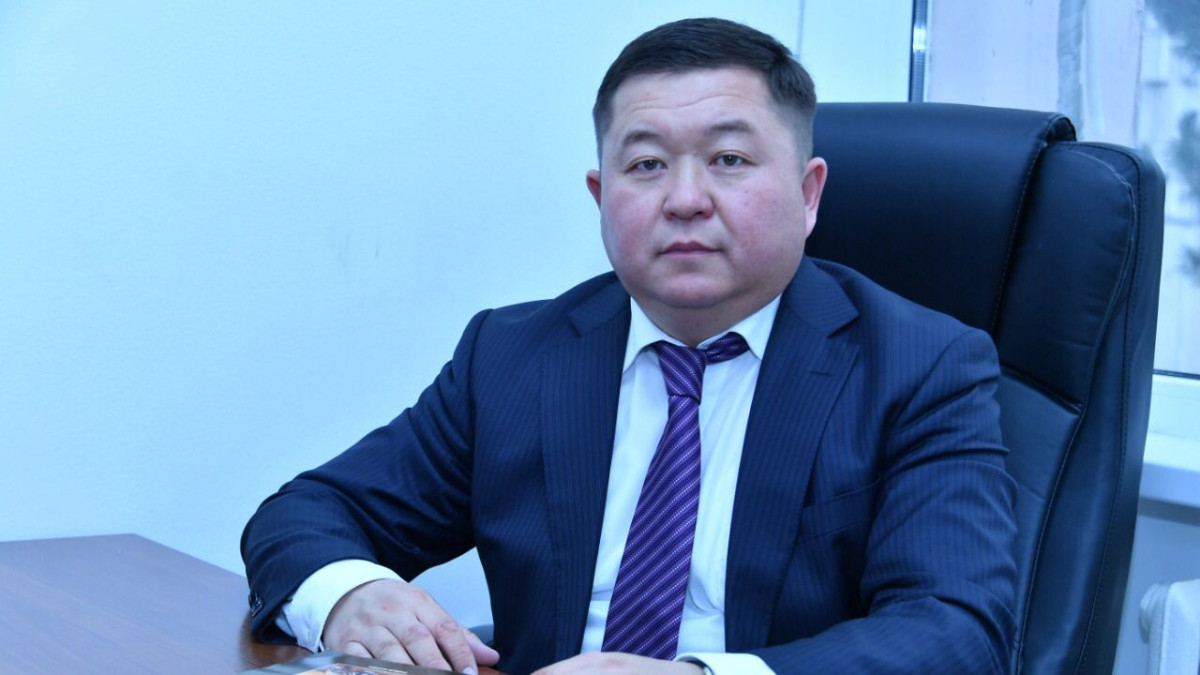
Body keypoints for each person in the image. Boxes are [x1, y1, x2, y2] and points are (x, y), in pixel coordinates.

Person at [242, 17, 1018, 675]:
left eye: (729, 160)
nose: (685, 199)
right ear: (601, 196)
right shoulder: (513, 356)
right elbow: (305, 513)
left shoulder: (920, 367)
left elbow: (956, 628)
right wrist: (349, 593)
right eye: (646, 164)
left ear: (809, 193)